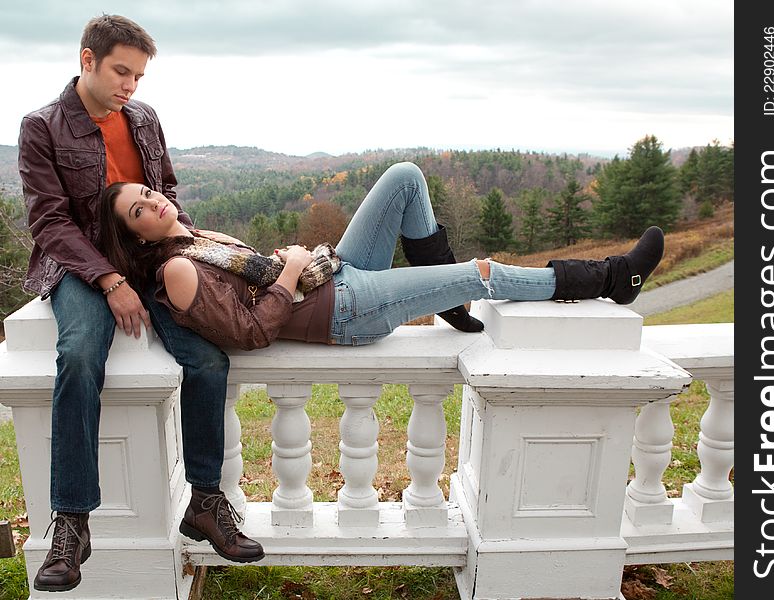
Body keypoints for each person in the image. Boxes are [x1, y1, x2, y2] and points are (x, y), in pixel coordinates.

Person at [18, 15, 262, 593]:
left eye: (139, 76)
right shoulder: (42, 127)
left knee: (206, 360)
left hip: (154, 257)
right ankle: (72, 523)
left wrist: (181, 243)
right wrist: (108, 279)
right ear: (87, 60)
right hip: (80, 265)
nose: (131, 86)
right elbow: (50, 222)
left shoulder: (144, 118)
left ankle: (205, 501)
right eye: (121, 72)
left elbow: (167, 189)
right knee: (78, 354)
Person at [98, 162, 664, 351]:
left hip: (334, 274)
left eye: (145, 193)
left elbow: (253, 281)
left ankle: (443, 296)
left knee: (404, 177)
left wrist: (289, 264)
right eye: (137, 210)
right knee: (481, 273)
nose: (151, 201)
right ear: (137, 239)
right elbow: (250, 330)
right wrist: (291, 269)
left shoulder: (197, 237)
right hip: (340, 311)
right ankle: (613, 277)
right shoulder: (174, 269)